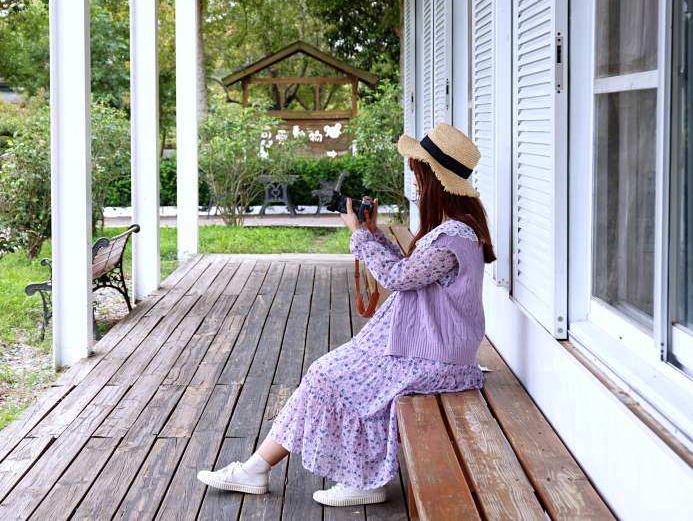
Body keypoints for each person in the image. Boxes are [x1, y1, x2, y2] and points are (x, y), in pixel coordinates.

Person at [197, 122, 496, 507]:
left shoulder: (452, 237)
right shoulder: (452, 230)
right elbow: (411, 270)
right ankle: (256, 468)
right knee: (326, 373)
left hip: (435, 358)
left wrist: (358, 234)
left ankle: (361, 479)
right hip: (425, 346)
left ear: (437, 182)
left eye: (419, 176)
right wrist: (373, 234)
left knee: (332, 376)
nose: (416, 185)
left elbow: (397, 277)